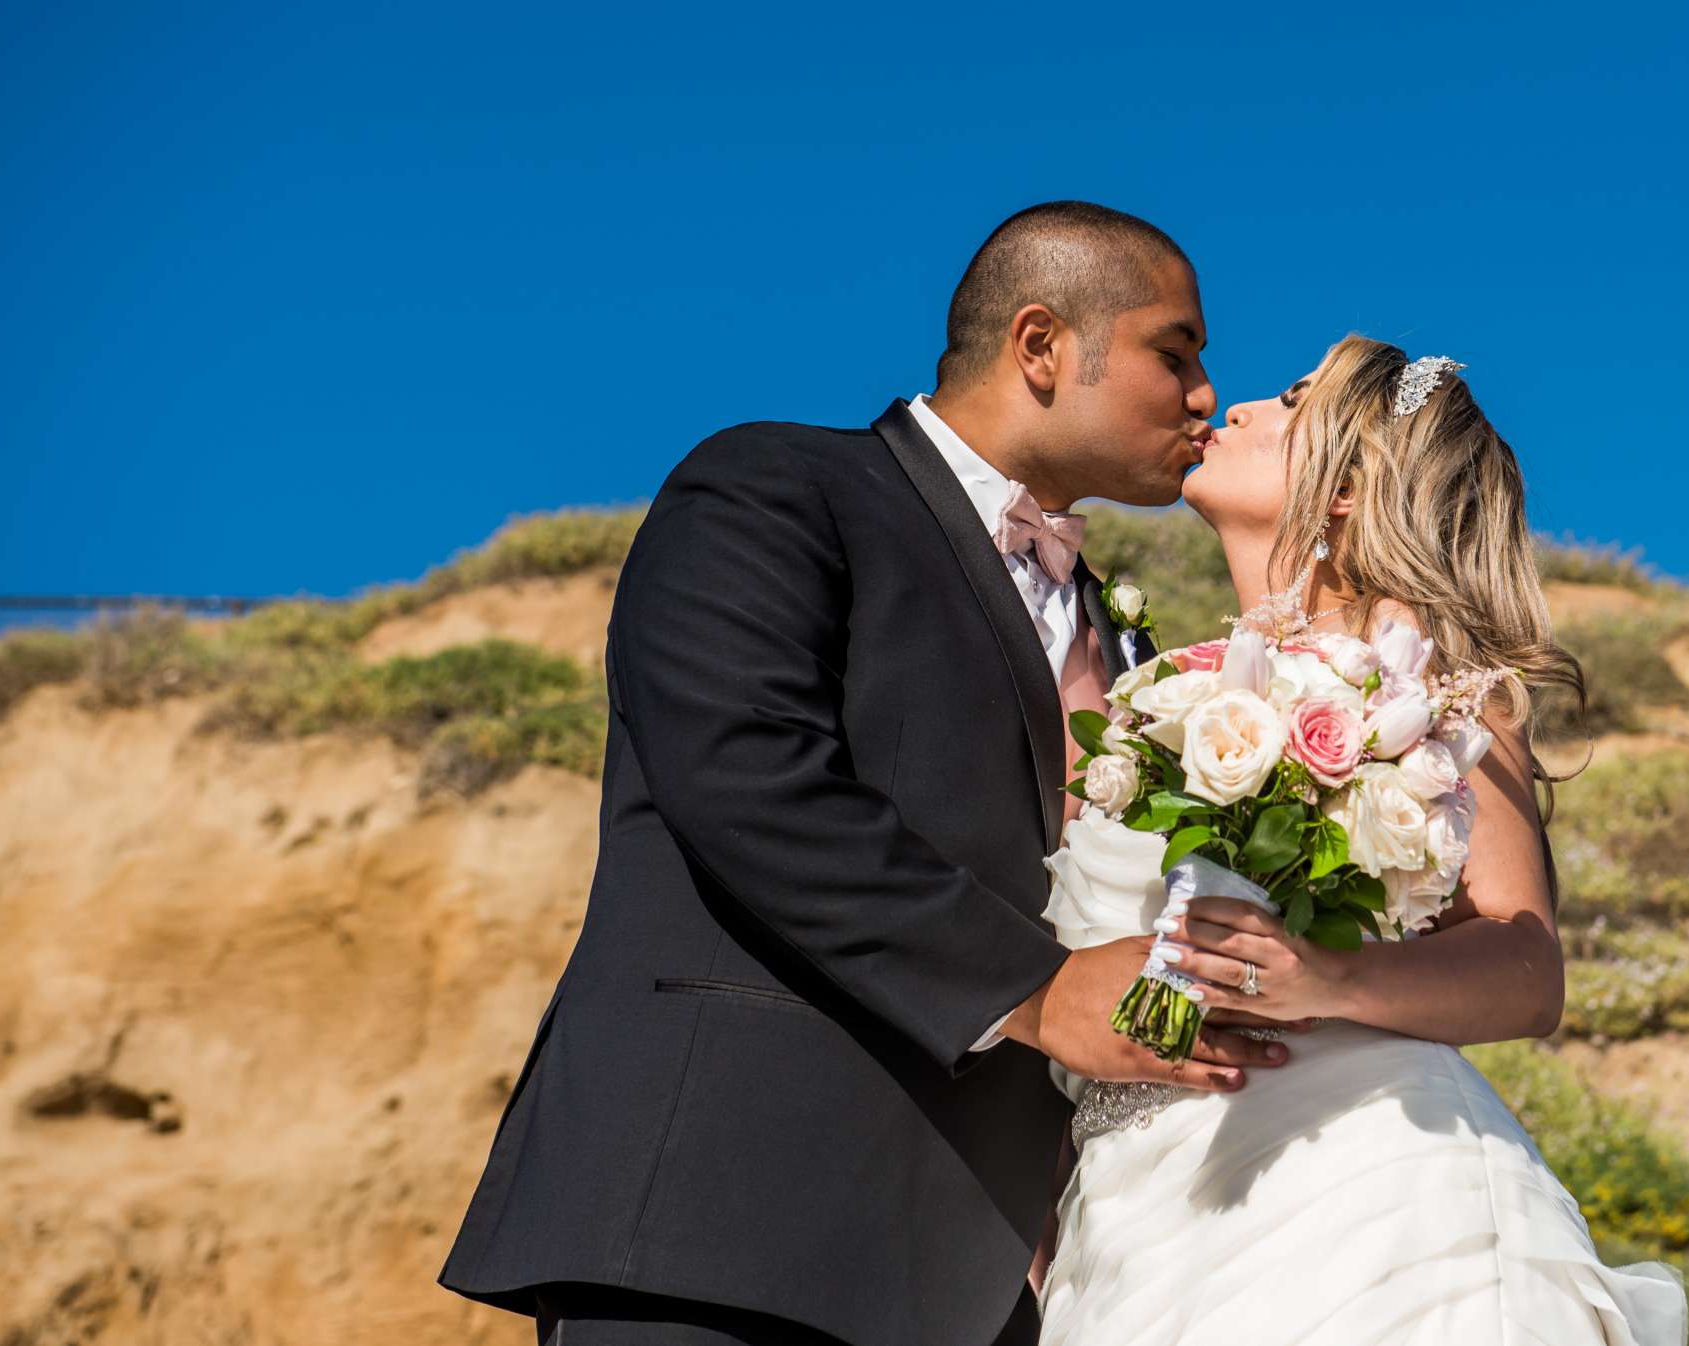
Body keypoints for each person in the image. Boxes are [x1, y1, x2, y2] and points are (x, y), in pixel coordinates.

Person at [437, 201, 1296, 1346]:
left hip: (989, 1291)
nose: (1202, 394)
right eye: (1174, 351)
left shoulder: (1128, 644)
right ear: (1040, 346)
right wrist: (1036, 990)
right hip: (727, 1225)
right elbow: (741, 771)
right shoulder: (776, 486)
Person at [1035, 338, 1689, 1345]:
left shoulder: (1429, 684)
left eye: (1292, 400)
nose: (1237, 404)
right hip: (1138, 1228)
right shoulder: (1150, 696)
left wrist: (1328, 981)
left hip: (1362, 1200)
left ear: (1344, 488)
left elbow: (1526, 958)